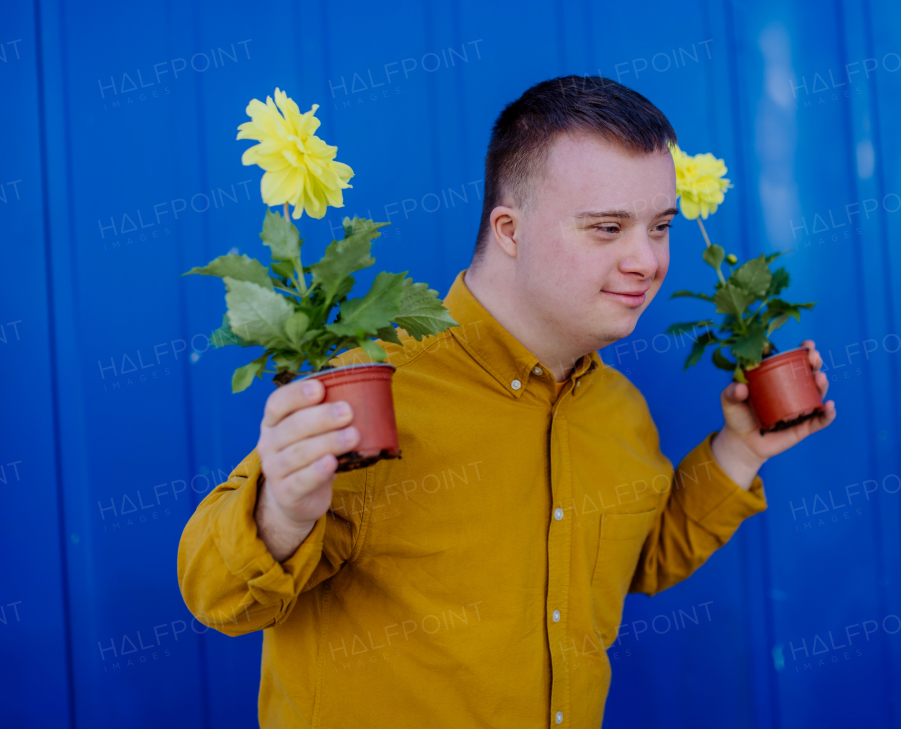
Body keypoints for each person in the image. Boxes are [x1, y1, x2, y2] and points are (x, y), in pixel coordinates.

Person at [177, 76, 835, 728]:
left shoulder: (618, 409)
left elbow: (633, 557)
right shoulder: (373, 392)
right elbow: (217, 594)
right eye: (608, 227)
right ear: (510, 229)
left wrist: (739, 449)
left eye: (660, 226)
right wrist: (281, 512)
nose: (648, 259)